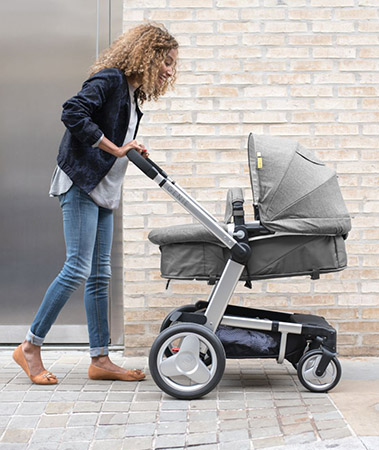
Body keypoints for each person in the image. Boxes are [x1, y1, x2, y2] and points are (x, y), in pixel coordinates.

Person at [13, 23, 179, 384]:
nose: (169, 70)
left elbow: (115, 134)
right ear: (147, 56)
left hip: (103, 187)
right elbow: (73, 113)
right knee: (77, 268)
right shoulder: (110, 79)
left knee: (100, 275)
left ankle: (100, 359)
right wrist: (116, 147)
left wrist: (128, 149)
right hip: (81, 182)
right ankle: (29, 346)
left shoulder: (133, 93)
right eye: (166, 61)